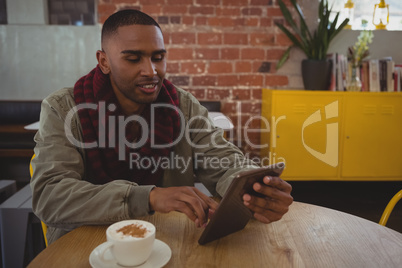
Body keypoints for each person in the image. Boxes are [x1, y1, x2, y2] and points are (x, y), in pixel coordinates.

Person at [30, 9, 293, 245]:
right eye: (133, 59)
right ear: (104, 61)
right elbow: (51, 195)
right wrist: (149, 197)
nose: (151, 71)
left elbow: (223, 161)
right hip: (82, 245)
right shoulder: (62, 108)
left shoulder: (183, 106)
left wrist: (255, 188)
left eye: (158, 57)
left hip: (165, 243)